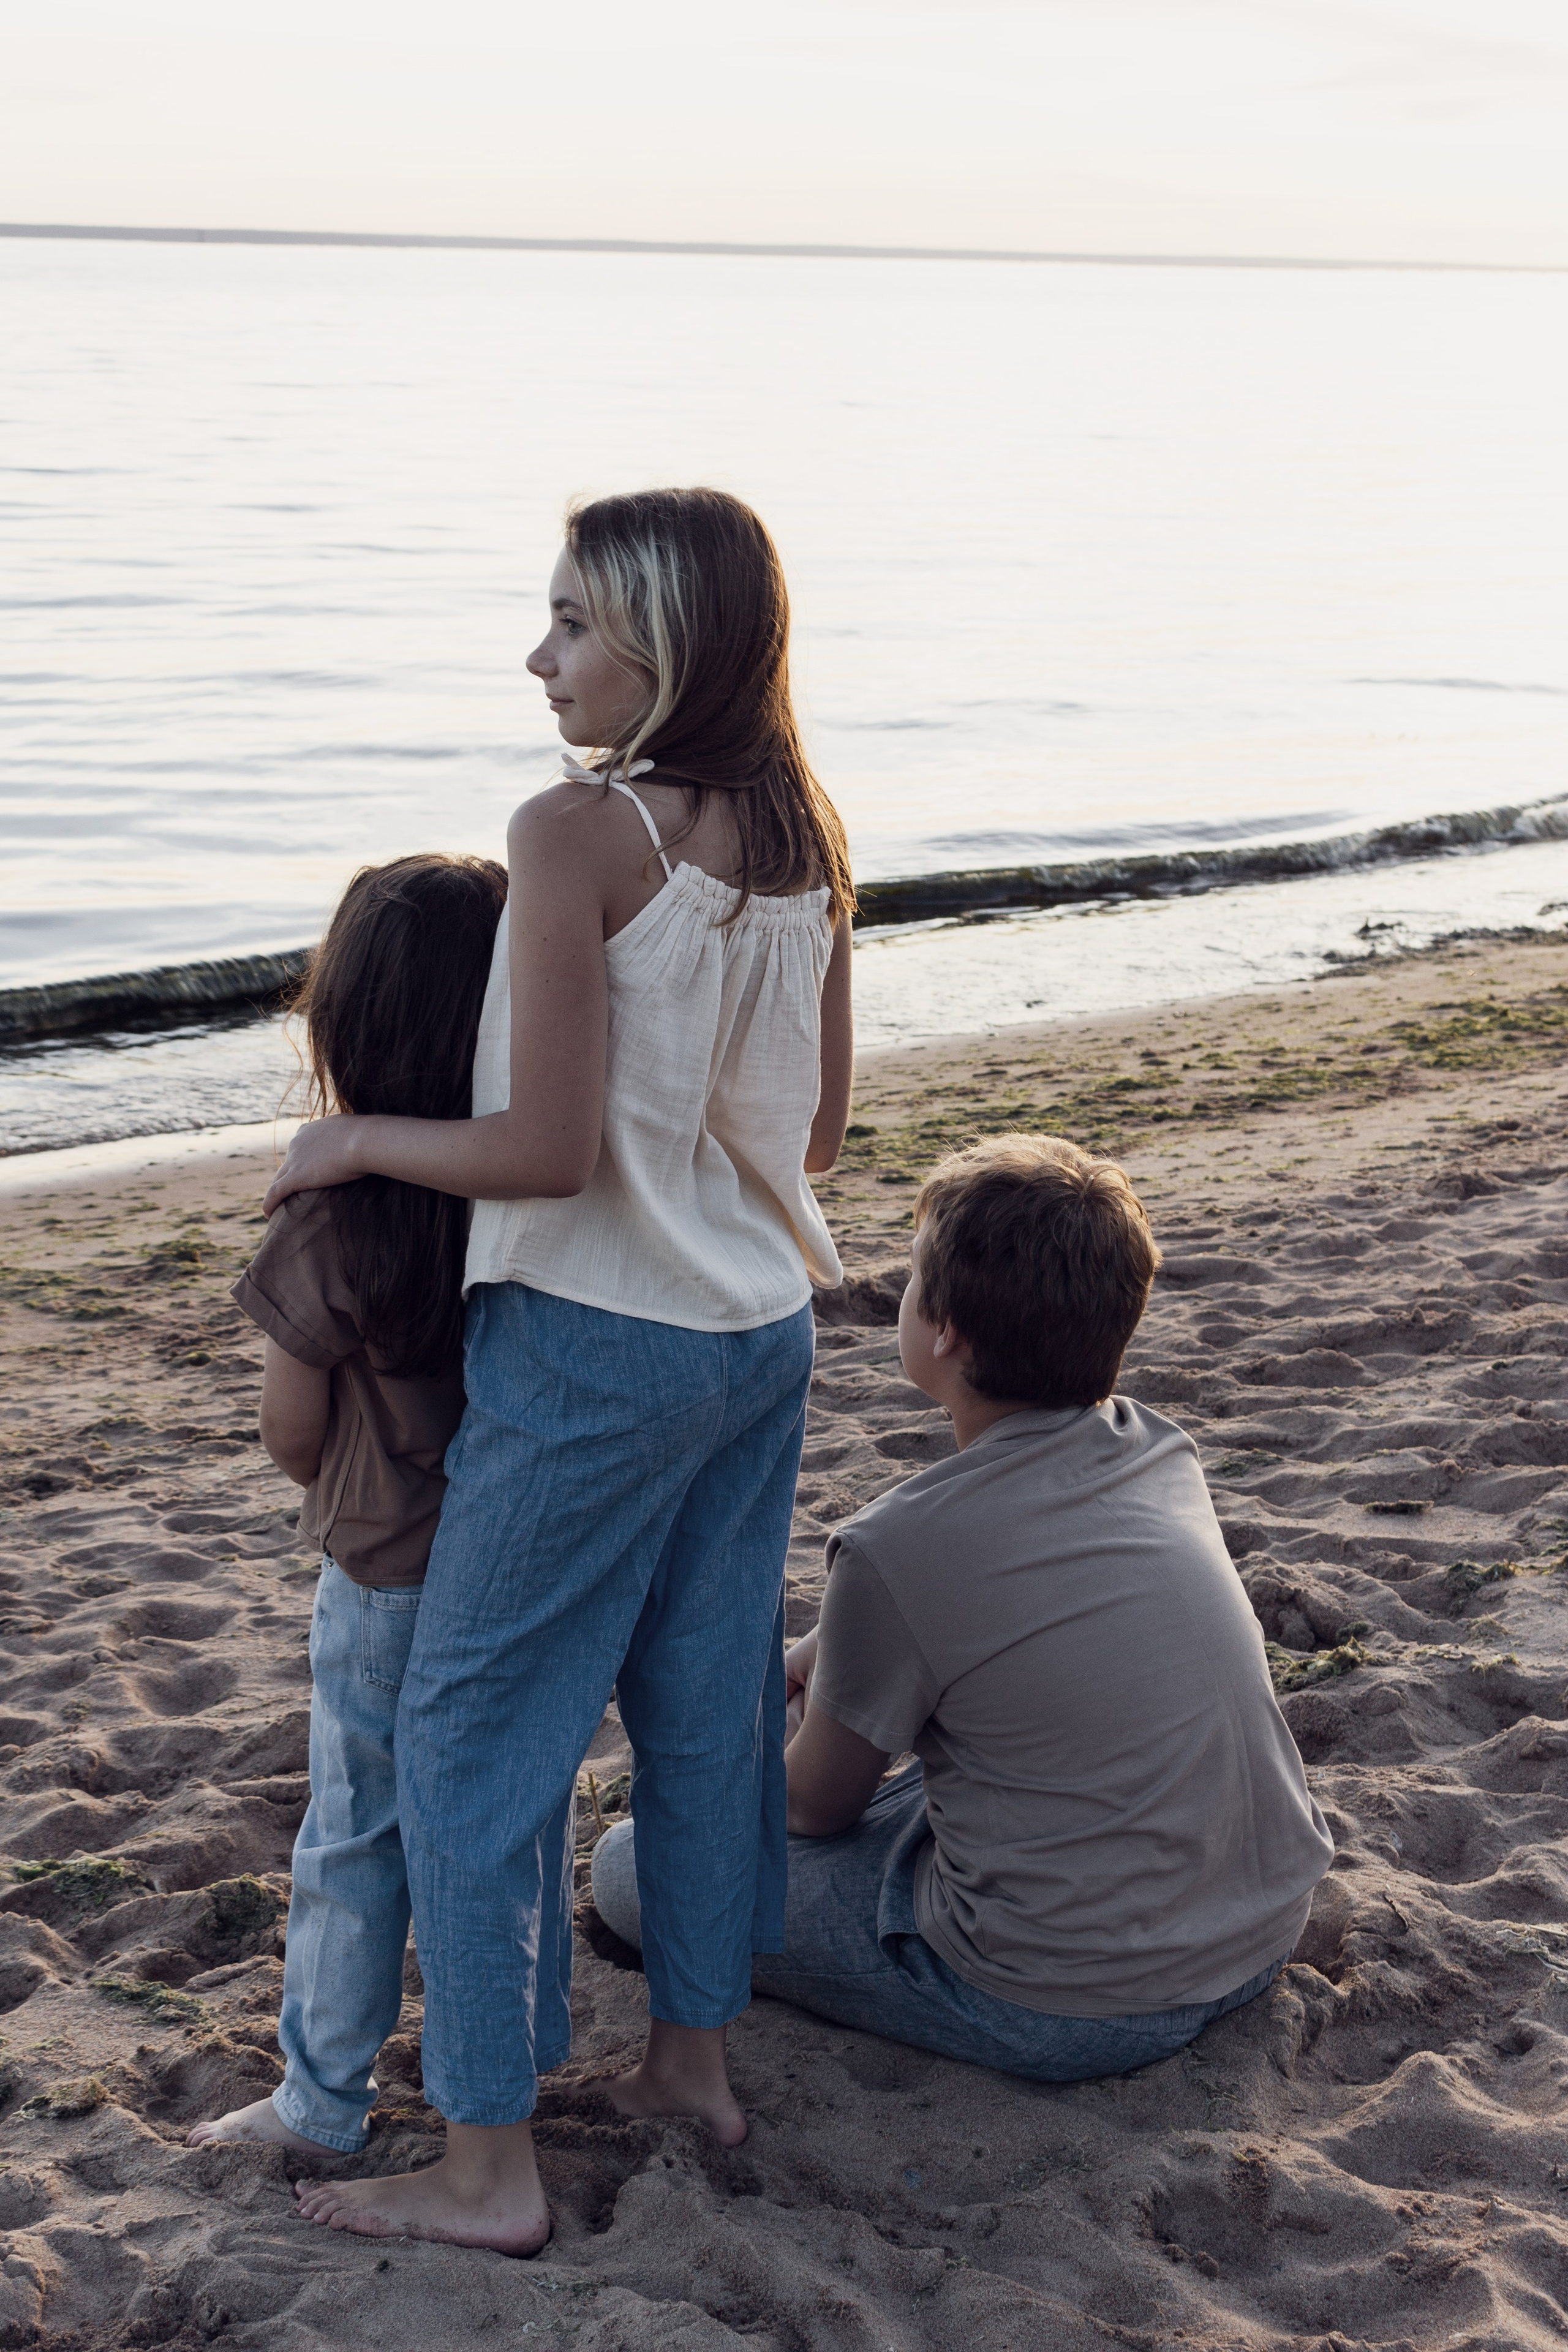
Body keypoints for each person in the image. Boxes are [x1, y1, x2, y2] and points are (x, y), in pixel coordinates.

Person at [262, 489, 855, 2252]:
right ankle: (689, 2063)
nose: (542, 656)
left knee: (466, 1735)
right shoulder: (799, 829)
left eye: (576, 624)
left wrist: (359, 1136)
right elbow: (811, 1132)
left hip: (603, 1346)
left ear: (668, 647)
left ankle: (488, 2170)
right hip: (761, 1331)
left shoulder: (577, 834)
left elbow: (540, 1150)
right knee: (703, 1700)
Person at [593, 1134, 1334, 2082]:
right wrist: (828, 1652)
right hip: (1258, 1924)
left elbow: (817, 1808)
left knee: (632, 1866)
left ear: (945, 1333)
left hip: (1072, 2000)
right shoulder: (1157, 1449)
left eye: (908, 1281)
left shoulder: (899, 1545)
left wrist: (732, 1761)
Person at [187, 852, 508, 2155]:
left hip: (381, 1571)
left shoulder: (332, 1221)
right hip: (511, 1559)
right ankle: (518, 2050)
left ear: (342, 1024)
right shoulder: (525, 1188)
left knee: (356, 1833)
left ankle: (320, 2102)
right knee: (504, 1814)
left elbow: (289, 1431)